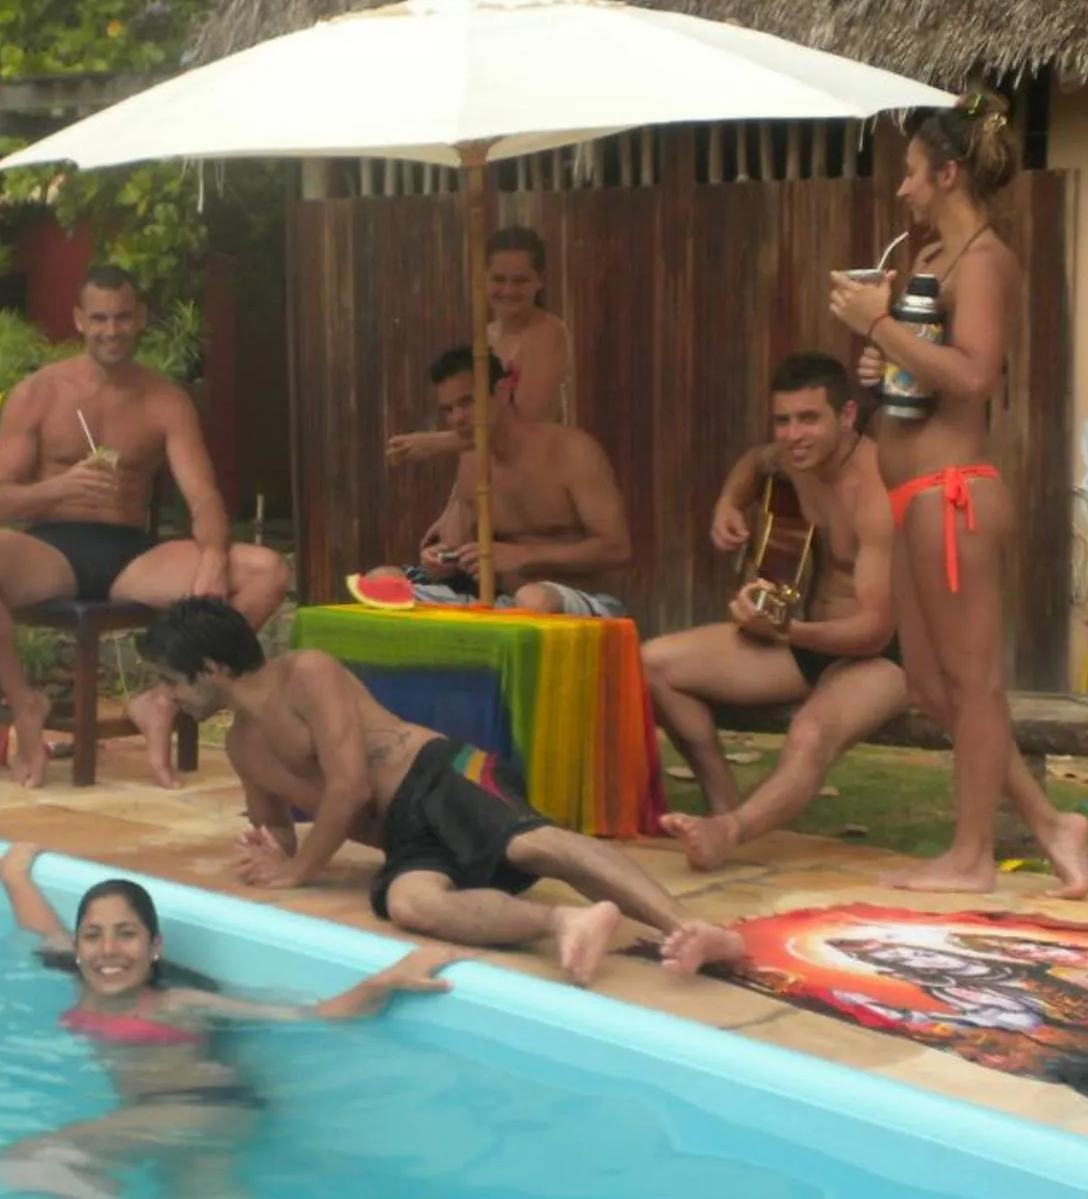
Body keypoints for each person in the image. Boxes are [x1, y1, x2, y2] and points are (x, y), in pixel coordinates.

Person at [0, 844, 456, 1199]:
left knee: (31, 1162)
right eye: (93, 935)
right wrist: (14, 875)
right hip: (175, 1124)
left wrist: (386, 979)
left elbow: (308, 1016)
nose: (108, 949)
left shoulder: (178, 1004)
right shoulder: (80, 981)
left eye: (127, 934)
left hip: (205, 1108)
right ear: (77, 948)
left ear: (154, 947)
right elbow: (41, 928)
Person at [135, 598, 749, 981]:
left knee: (532, 845)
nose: (169, 697)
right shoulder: (241, 746)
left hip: (437, 773)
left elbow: (349, 788)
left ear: (211, 668)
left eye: (171, 680)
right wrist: (273, 850)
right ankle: (566, 922)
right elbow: (277, 827)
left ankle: (695, 928)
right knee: (410, 904)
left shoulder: (306, 673)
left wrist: (297, 873)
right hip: (404, 837)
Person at [827, 93, 1088, 897]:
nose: (902, 187)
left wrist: (879, 328)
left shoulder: (982, 262)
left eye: (912, 171)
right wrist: (886, 362)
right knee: (929, 686)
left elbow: (975, 375)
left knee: (974, 685)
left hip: (953, 497)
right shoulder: (934, 257)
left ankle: (974, 856)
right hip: (911, 492)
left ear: (947, 173)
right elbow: (930, 368)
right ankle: (1050, 823)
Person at [0, 265, 290, 790]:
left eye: (122, 318)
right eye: (99, 318)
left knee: (268, 572)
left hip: (132, 555)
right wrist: (60, 488)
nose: (111, 330)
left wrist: (215, 556)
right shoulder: (38, 392)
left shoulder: (164, 399)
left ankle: (164, 698)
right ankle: (25, 701)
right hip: (52, 551)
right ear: (79, 320)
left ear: (141, 318)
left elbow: (204, 497)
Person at [644, 353, 906, 870]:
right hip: (806, 637)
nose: (793, 435)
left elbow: (875, 631)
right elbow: (754, 461)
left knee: (810, 734)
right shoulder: (793, 459)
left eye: (809, 419)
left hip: (885, 656)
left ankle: (730, 832)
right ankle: (723, 804)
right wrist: (727, 503)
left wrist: (785, 631)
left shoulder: (877, 487)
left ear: (847, 415)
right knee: (652, 663)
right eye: (782, 420)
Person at [363, 344, 630, 614]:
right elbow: (457, 552)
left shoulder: (571, 451)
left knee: (533, 599)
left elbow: (616, 549)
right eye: (448, 409)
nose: (457, 418)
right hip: (498, 601)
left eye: (467, 402)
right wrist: (440, 560)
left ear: (502, 391)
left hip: (575, 600)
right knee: (380, 580)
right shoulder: (471, 461)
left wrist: (523, 555)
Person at [385, 226, 574, 463]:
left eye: (520, 281)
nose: (508, 290)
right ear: (483, 279)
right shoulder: (487, 336)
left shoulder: (547, 333)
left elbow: (525, 427)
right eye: (499, 279)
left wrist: (435, 443)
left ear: (540, 281)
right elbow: (475, 417)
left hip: (540, 469)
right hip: (496, 467)